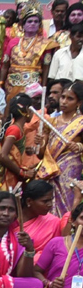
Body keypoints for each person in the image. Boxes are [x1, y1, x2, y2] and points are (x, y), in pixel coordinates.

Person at [39, 79, 83, 213]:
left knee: (66, 204)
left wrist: (79, 146)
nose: (64, 101)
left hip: (69, 170)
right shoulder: (51, 121)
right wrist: (39, 142)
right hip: (49, 169)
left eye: (70, 99)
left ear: (79, 103)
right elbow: (40, 154)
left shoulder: (80, 123)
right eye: (63, 97)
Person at [30, 202, 83, 288]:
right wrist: (49, 284)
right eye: (82, 218)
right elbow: (36, 272)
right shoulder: (56, 243)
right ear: (73, 221)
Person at [2, 5, 57, 98]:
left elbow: (46, 68)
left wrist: (43, 87)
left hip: (34, 86)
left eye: (36, 22)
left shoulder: (46, 44)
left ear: (39, 25)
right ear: (23, 25)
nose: (33, 24)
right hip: (12, 84)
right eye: (30, 21)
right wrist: (1, 83)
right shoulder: (13, 42)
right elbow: (5, 64)